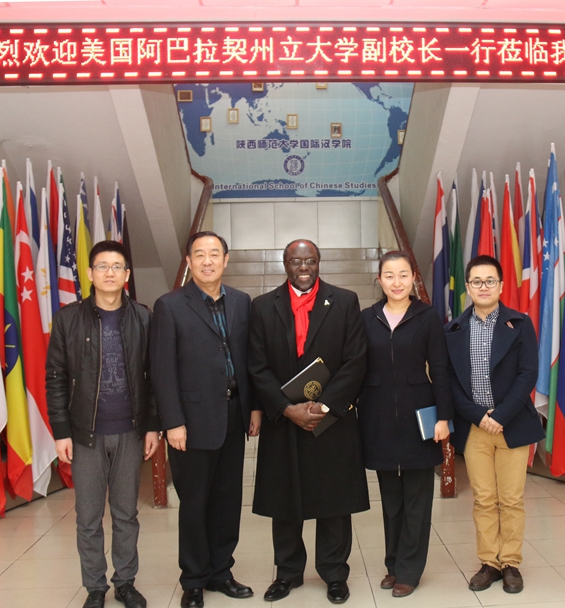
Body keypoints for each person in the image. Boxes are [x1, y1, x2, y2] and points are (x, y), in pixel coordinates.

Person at [248, 239, 368, 605]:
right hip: (283, 420)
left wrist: (325, 406)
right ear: (285, 263)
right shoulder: (262, 306)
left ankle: (334, 573)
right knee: (284, 500)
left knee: (334, 500)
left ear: (319, 262)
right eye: (296, 261)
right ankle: (287, 573)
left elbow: (356, 360)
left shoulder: (345, 301)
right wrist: (287, 408)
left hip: (331, 420)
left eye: (310, 260)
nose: (304, 267)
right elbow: (257, 365)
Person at [46, 241, 161, 608]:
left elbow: (155, 378)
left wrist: (153, 426)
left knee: (127, 513)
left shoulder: (143, 318)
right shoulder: (68, 319)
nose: (109, 273)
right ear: (90, 273)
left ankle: (125, 582)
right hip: (85, 435)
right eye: (102, 266)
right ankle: (95, 587)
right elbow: (55, 379)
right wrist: (61, 431)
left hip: (130, 431)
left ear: (127, 275)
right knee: (88, 516)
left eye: (117, 267)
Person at [150, 231, 261, 608]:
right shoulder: (169, 305)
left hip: (233, 415)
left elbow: (249, 359)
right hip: (191, 421)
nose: (208, 261)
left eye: (215, 254)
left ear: (226, 260)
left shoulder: (242, 302)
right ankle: (194, 579)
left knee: (228, 500)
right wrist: (172, 421)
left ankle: (221, 572)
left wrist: (254, 406)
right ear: (189, 261)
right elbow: (162, 368)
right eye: (200, 254)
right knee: (195, 503)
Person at [444, 254, 544, 594]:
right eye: (477, 282)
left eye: (490, 281)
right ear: (468, 288)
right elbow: (450, 382)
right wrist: (478, 416)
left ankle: (511, 562)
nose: (483, 287)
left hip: (511, 423)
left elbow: (528, 373)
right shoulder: (453, 330)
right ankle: (489, 562)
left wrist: (500, 416)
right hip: (475, 427)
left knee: (511, 499)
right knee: (484, 499)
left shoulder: (520, 324)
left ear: (501, 286)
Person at [357, 251, 453, 598]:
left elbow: (440, 369)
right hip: (377, 416)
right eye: (389, 275)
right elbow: (355, 368)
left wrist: (444, 417)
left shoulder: (428, 316)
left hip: (419, 416)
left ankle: (409, 570)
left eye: (403, 275)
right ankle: (393, 564)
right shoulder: (366, 318)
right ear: (379, 280)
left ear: (413, 278)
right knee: (391, 500)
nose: (396, 282)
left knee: (417, 499)